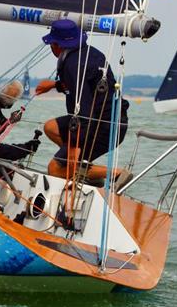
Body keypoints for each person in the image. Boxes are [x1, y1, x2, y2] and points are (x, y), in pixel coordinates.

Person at [35, 19, 130, 187]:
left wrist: (74, 146)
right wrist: (54, 85)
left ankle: (115, 173)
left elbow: (84, 115)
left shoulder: (73, 65)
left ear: (56, 45)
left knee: (55, 169)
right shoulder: (89, 53)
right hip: (112, 120)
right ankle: (84, 171)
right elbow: (87, 87)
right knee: (51, 127)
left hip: (102, 127)